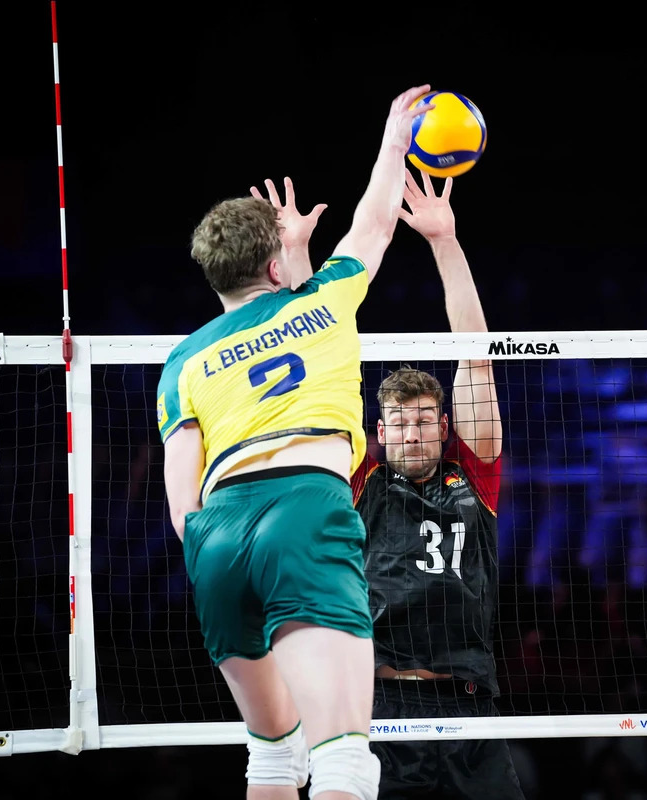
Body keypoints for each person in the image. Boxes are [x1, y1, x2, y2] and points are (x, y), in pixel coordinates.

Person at [157, 84, 432, 800]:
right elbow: (375, 223)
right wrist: (393, 136)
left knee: (275, 758)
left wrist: (218, 541)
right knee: (343, 759)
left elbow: (179, 500)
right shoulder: (324, 297)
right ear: (278, 267)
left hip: (216, 537)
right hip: (305, 508)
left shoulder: (182, 361)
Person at [350, 169, 524, 799]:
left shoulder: (471, 472)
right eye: (400, 420)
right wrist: (293, 258)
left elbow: (475, 352)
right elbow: (321, 354)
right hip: (381, 702)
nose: (413, 430)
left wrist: (444, 241)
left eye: (425, 418)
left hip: (468, 701)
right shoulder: (361, 475)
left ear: (443, 424)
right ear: (380, 430)